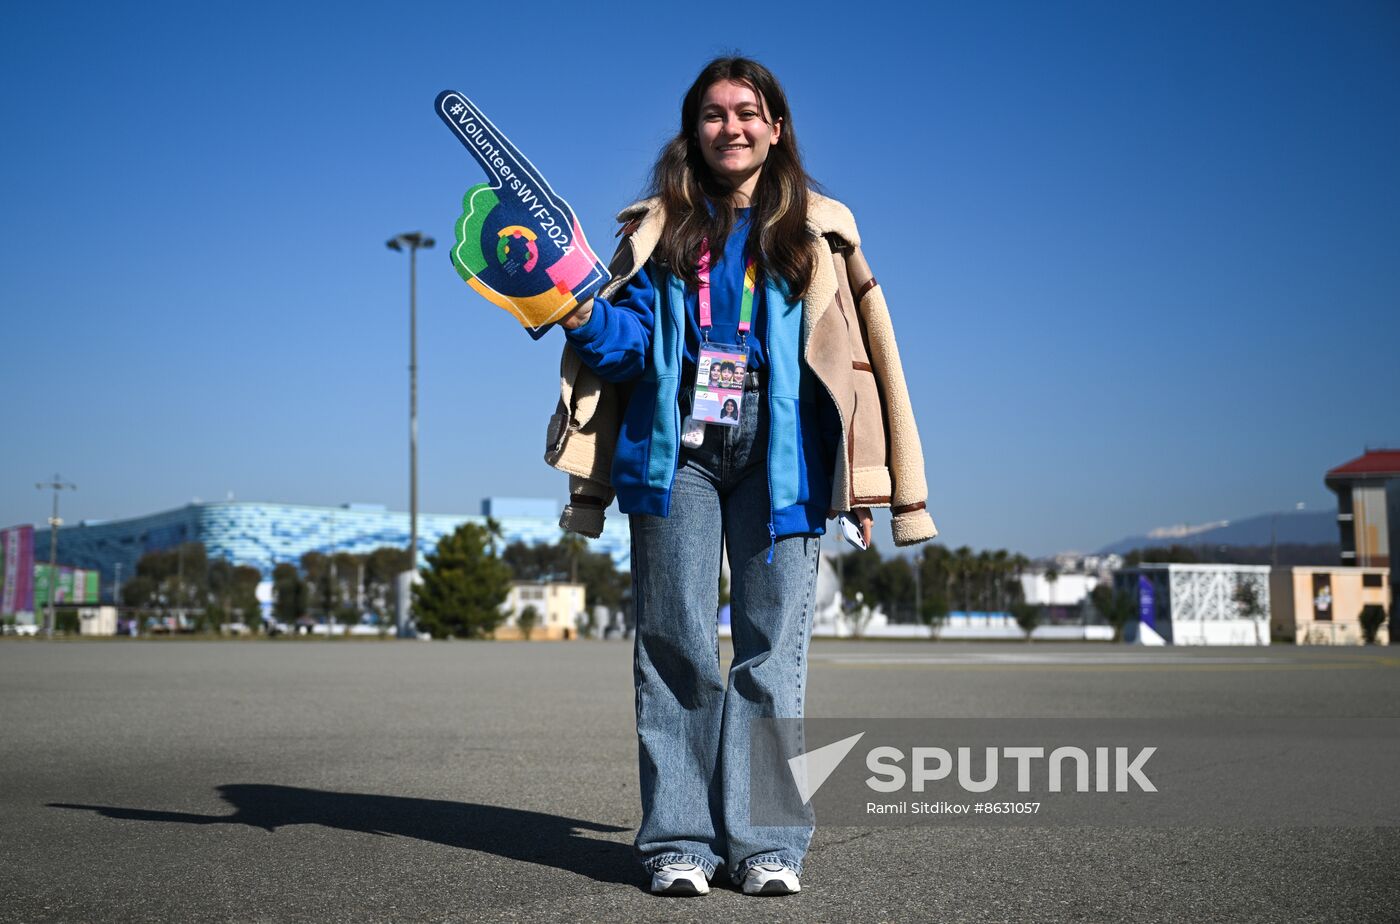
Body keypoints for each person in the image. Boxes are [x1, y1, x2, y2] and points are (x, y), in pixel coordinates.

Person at [553, 56, 937, 896]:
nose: (731, 126)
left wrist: (860, 476)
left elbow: (856, 360)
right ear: (694, 130)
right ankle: (680, 841)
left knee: (772, 651)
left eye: (747, 112)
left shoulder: (821, 229)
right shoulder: (658, 231)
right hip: (675, 444)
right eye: (714, 114)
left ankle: (767, 843)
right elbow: (625, 350)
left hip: (785, 446)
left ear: (776, 127)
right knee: (676, 644)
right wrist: (580, 312)